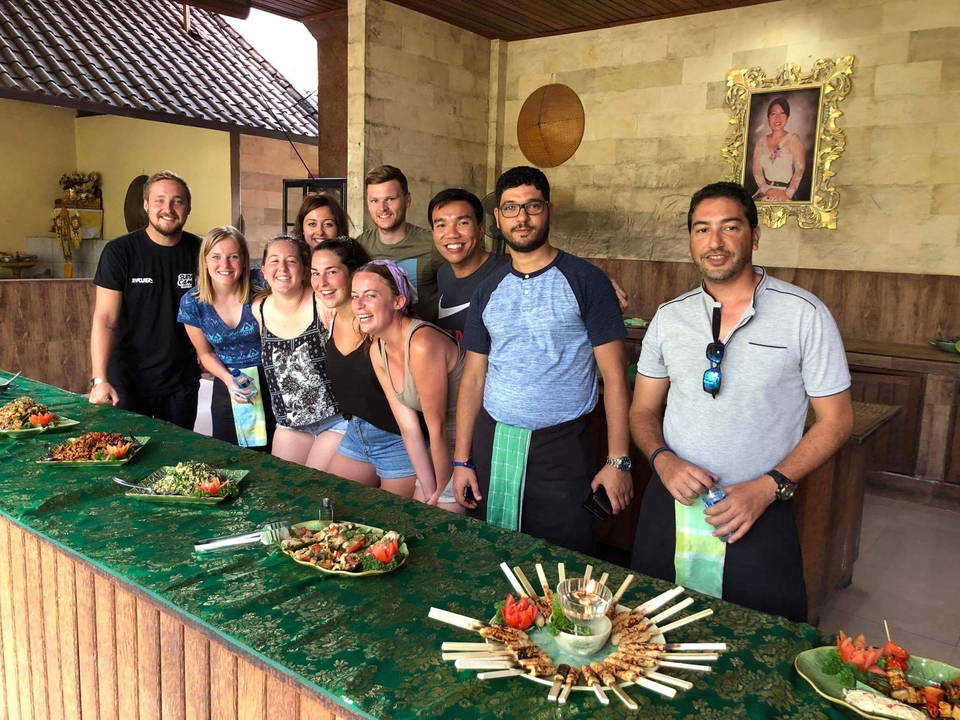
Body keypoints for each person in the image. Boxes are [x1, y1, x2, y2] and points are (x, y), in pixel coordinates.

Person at [629, 181, 853, 623]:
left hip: (758, 506)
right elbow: (642, 410)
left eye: (729, 227)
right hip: (672, 499)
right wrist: (662, 460)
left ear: (754, 235)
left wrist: (768, 486)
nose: (714, 242)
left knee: (763, 638)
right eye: (701, 230)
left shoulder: (804, 314)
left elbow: (836, 421)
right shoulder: (669, 317)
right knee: (648, 630)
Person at [452, 166, 632, 555]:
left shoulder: (586, 280)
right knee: (488, 554)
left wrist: (618, 462)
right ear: (497, 218)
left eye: (532, 206)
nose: (522, 217)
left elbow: (615, 378)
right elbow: (473, 378)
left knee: (560, 560)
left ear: (548, 210)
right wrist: (461, 460)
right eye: (511, 208)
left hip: (562, 447)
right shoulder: (488, 289)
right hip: (493, 442)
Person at [429, 187, 627, 342]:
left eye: (463, 223)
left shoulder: (506, 275)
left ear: (481, 229)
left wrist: (599, 295)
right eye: (441, 225)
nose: (452, 233)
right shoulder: (443, 274)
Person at [89, 170, 201, 429]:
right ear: (146, 205)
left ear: (188, 207)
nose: (168, 209)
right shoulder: (120, 251)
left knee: (178, 460)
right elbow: (105, 318)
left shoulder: (201, 251)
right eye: (160, 200)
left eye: (177, 201)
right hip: (127, 380)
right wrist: (99, 379)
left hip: (180, 381)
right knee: (127, 458)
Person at [353, 260, 465, 513]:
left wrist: (440, 490)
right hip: (439, 447)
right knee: (414, 516)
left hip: (469, 447)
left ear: (399, 302)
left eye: (370, 296)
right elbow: (409, 427)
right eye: (355, 296)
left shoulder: (421, 343)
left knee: (437, 525)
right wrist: (428, 489)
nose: (358, 305)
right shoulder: (377, 349)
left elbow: (437, 427)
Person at [312, 239, 419, 498]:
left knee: (390, 526)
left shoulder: (382, 322)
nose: (321, 282)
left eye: (332, 272)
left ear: (355, 273)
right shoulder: (331, 314)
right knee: (328, 507)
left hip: (397, 440)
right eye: (315, 273)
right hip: (356, 433)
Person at [251, 235, 345, 470]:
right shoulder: (259, 309)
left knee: (312, 487)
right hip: (289, 423)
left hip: (334, 420)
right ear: (263, 270)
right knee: (280, 491)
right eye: (274, 260)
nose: (282, 268)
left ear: (304, 271)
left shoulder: (322, 303)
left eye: (291, 261)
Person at [177, 227, 276, 448]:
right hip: (228, 382)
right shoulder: (192, 302)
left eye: (233, 256)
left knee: (276, 458)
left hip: (271, 380)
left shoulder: (261, 286)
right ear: (205, 261)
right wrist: (229, 381)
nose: (225, 265)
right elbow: (205, 353)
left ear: (243, 260)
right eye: (216, 257)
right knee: (230, 455)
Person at [356, 165, 445, 322]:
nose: (382, 208)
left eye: (390, 199)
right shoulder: (361, 245)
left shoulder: (432, 244)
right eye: (374, 201)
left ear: (407, 200)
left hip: (421, 340)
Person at [751, 97, 806, 202]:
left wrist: (788, 194)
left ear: (787, 117)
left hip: (785, 193)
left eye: (782, 113)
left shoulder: (793, 139)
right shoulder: (761, 141)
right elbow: (756, 169)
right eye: (773, 114)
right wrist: (766, 190)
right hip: (764, 192)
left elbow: (800, 168)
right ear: (768, 118)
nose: (778, 118)